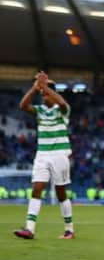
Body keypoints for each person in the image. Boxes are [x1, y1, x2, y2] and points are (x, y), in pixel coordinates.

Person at [14, 72, 75, 240]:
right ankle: (29, 229)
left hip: (59, 155)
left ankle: (69, 229)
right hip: (42, 154)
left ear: (53, 95)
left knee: (60, 192)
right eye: (42, 96)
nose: (44, 98)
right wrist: (35, 88)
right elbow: (23, 105)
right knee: (36, 188)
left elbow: (62, 102)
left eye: (46, 95)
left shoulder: (63, 111)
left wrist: (45, 86)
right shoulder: (40, 111)